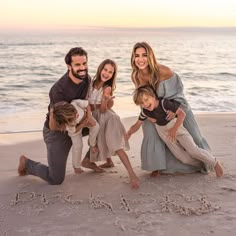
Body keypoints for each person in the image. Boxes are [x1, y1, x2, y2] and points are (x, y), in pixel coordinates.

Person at [18, 47, 103, 185]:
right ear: (69, 66)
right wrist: (82, 122)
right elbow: (54, 125)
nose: (82, 68)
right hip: (58, 132)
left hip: (78, 124)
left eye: (84, 64)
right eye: (77, 65)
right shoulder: (58, 90)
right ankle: (27, 164)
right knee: (56, 179)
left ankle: (88, 159)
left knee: (103, 123)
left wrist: (90, 113)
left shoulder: (86, 79)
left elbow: (85, 103)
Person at [131, 42, 211, 177]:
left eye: (144, 55)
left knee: (194, 137)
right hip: (152, 110)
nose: (140, 59)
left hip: (174, 106)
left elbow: (178, 94)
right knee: (150, 131)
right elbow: (142, 99)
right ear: (133, 58)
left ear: (150, 56)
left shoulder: (164, 71)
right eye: (137, 55)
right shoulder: (136, 76)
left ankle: (207, 162)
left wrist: (174, 112)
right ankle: (157, 165)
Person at [127, 85, 224, 177]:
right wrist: (128, 134)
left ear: (153, 96)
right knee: (183, 158)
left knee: (193, 150)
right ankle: (204, 165)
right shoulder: (145, 112)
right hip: (165, 134)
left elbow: (182, 114)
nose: (145, 104)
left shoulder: (164, 103)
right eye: (141, 103)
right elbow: (137, 125)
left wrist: (174, 129)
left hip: (177, 128)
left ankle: (215, 162)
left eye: (146, 100)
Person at [88, 59, 140, 188]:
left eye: (110, 72)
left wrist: (106, 100)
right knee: (103, 140)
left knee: (116, 145)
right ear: (101, 69)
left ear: (113, 75)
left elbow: (104, 109)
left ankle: (132, 174)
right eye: (105, 70)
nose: (106, 73)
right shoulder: (91, 83)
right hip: (96, 118)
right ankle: (109, 162)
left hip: (108, 118)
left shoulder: (107, 88)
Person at [51, 100, 99, 174]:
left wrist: (89, 116)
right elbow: (74, 131)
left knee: (96, 126)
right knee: (78, 145)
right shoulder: (68, 124)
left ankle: (92, 144)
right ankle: (76, 166)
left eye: (75, 111)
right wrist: (83, 124)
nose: (76, 114)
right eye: (74, 115)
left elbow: (87, 104)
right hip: (76, 128)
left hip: (86, 117)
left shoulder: (75, 104)